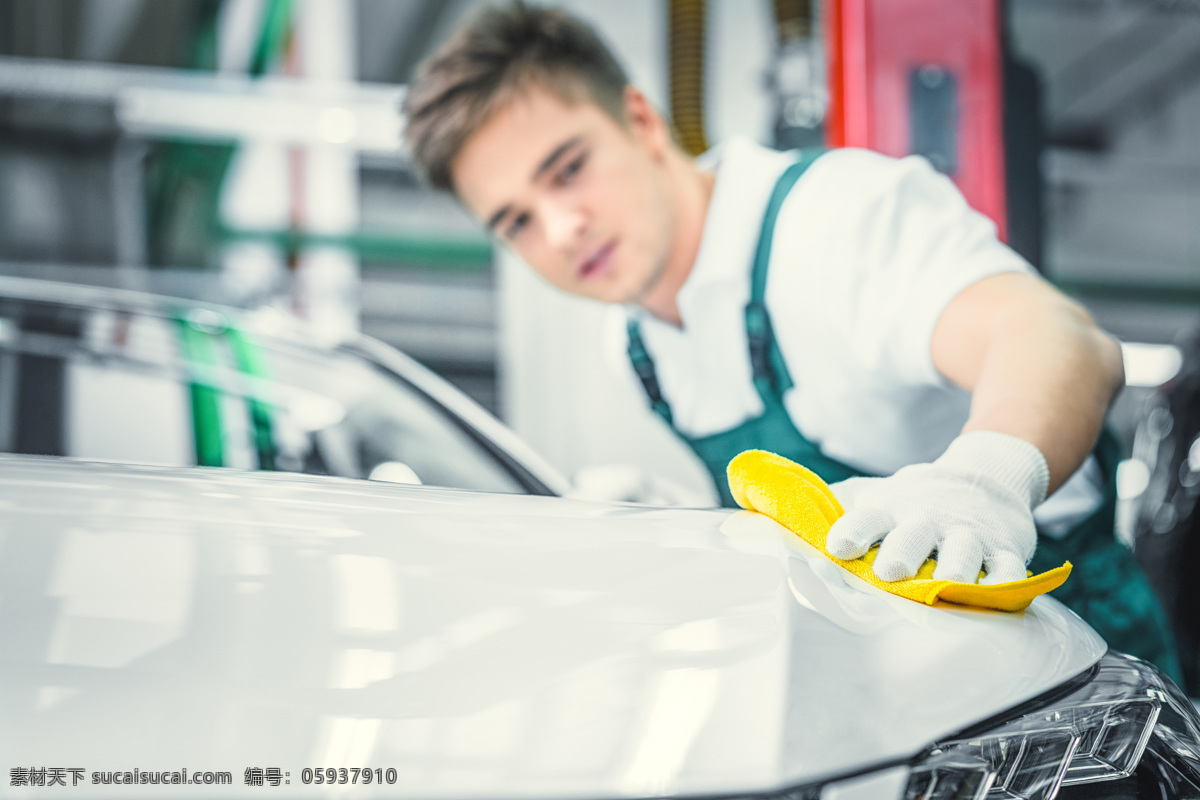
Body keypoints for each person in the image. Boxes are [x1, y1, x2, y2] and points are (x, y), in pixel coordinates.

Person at [401, 1, 1179, 675]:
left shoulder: (832, 221)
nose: (561, 229)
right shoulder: (636, 346)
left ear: (639, 119)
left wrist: (981, 482)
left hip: (1073, 663)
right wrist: (692, 533)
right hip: (893, 689)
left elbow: (1057, 334)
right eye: (517, 222)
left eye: (568, 169)